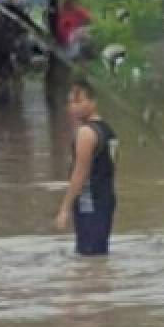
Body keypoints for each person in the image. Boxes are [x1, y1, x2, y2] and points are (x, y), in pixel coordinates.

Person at [54, 79, 118, 257]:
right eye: (70, 103)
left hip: (88, 200)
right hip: (106, 198)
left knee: (87, 254)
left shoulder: (86, 133)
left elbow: (80, 173)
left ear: (92, 102)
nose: (73, 107)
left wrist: (64, 208)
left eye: (78, 101)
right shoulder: (107, 130)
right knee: (99, 253)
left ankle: (90, 283)